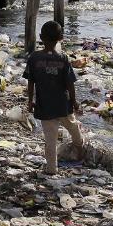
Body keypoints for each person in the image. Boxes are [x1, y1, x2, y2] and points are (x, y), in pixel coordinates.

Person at [24, 20, 85, 176]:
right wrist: (74, 101)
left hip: (45, 107)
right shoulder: (63, 59)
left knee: (50, 141)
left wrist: (30, 101)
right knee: (73, 128)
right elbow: (70, 83)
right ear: (61, 38)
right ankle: (80, 148)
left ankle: (52, 169)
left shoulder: (34, 58)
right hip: (63, 106)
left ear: (40, 37)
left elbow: (31, 82)